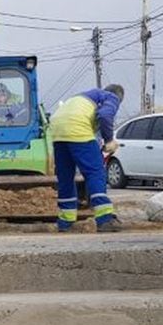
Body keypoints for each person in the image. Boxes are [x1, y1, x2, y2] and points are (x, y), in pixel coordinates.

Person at [49, 84, 125, 233]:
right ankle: (105, 219)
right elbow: (105, 116)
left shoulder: (84, 96)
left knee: (65, 176)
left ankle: (65, 221)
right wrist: (109, 140)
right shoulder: (111, 97)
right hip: (77, 127)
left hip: (57, 129)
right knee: (95, 172)